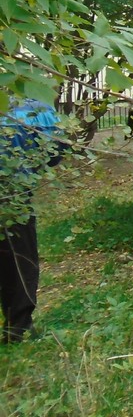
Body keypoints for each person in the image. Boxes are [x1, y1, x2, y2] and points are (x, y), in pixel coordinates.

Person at [0, 97, 64, 343]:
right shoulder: (39, 110)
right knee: (20, 260)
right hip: (16, 195)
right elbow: (54, 154)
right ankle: (17, 327)